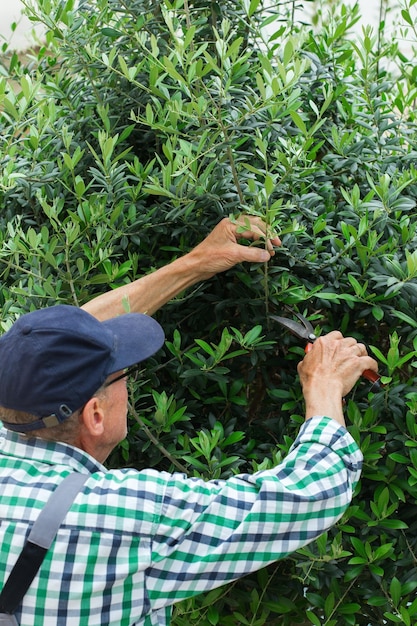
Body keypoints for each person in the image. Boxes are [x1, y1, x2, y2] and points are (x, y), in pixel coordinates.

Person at [0, 216, 378, 626]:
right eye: (125, 373)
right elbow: (308, 495)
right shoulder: (133, 517)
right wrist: (324, 385)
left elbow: (42, 354)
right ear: (95, 415)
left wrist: (198, 261)